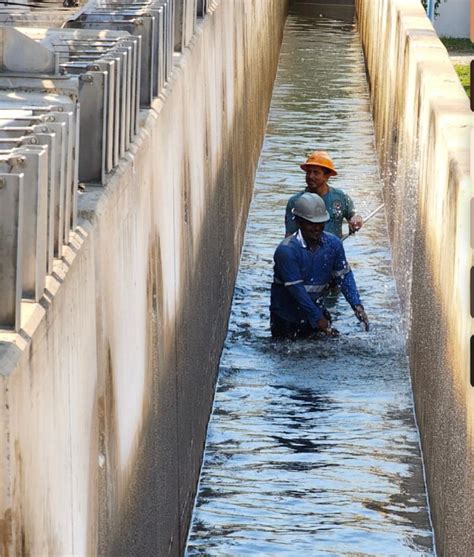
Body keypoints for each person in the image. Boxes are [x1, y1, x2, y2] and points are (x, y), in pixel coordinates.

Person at [271, 192, 369, 339]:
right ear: (299, 222)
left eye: (320, 223)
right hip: (287, 318)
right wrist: (318, 319)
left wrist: (356, 305)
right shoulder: (286, 252)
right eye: (311, 223)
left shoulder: (333, 244)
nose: (316, 228)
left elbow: (343, 275)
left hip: (316, 308)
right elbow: (297, 292)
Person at [285, 151, 363, 238]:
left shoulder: (340, 197)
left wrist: (356, 220)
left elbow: (353, 215)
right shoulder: (295, 202)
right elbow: (290, 235)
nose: (310, 176)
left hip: (334, 249)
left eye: (316, 173)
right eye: (308, 172)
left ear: (327, 176)